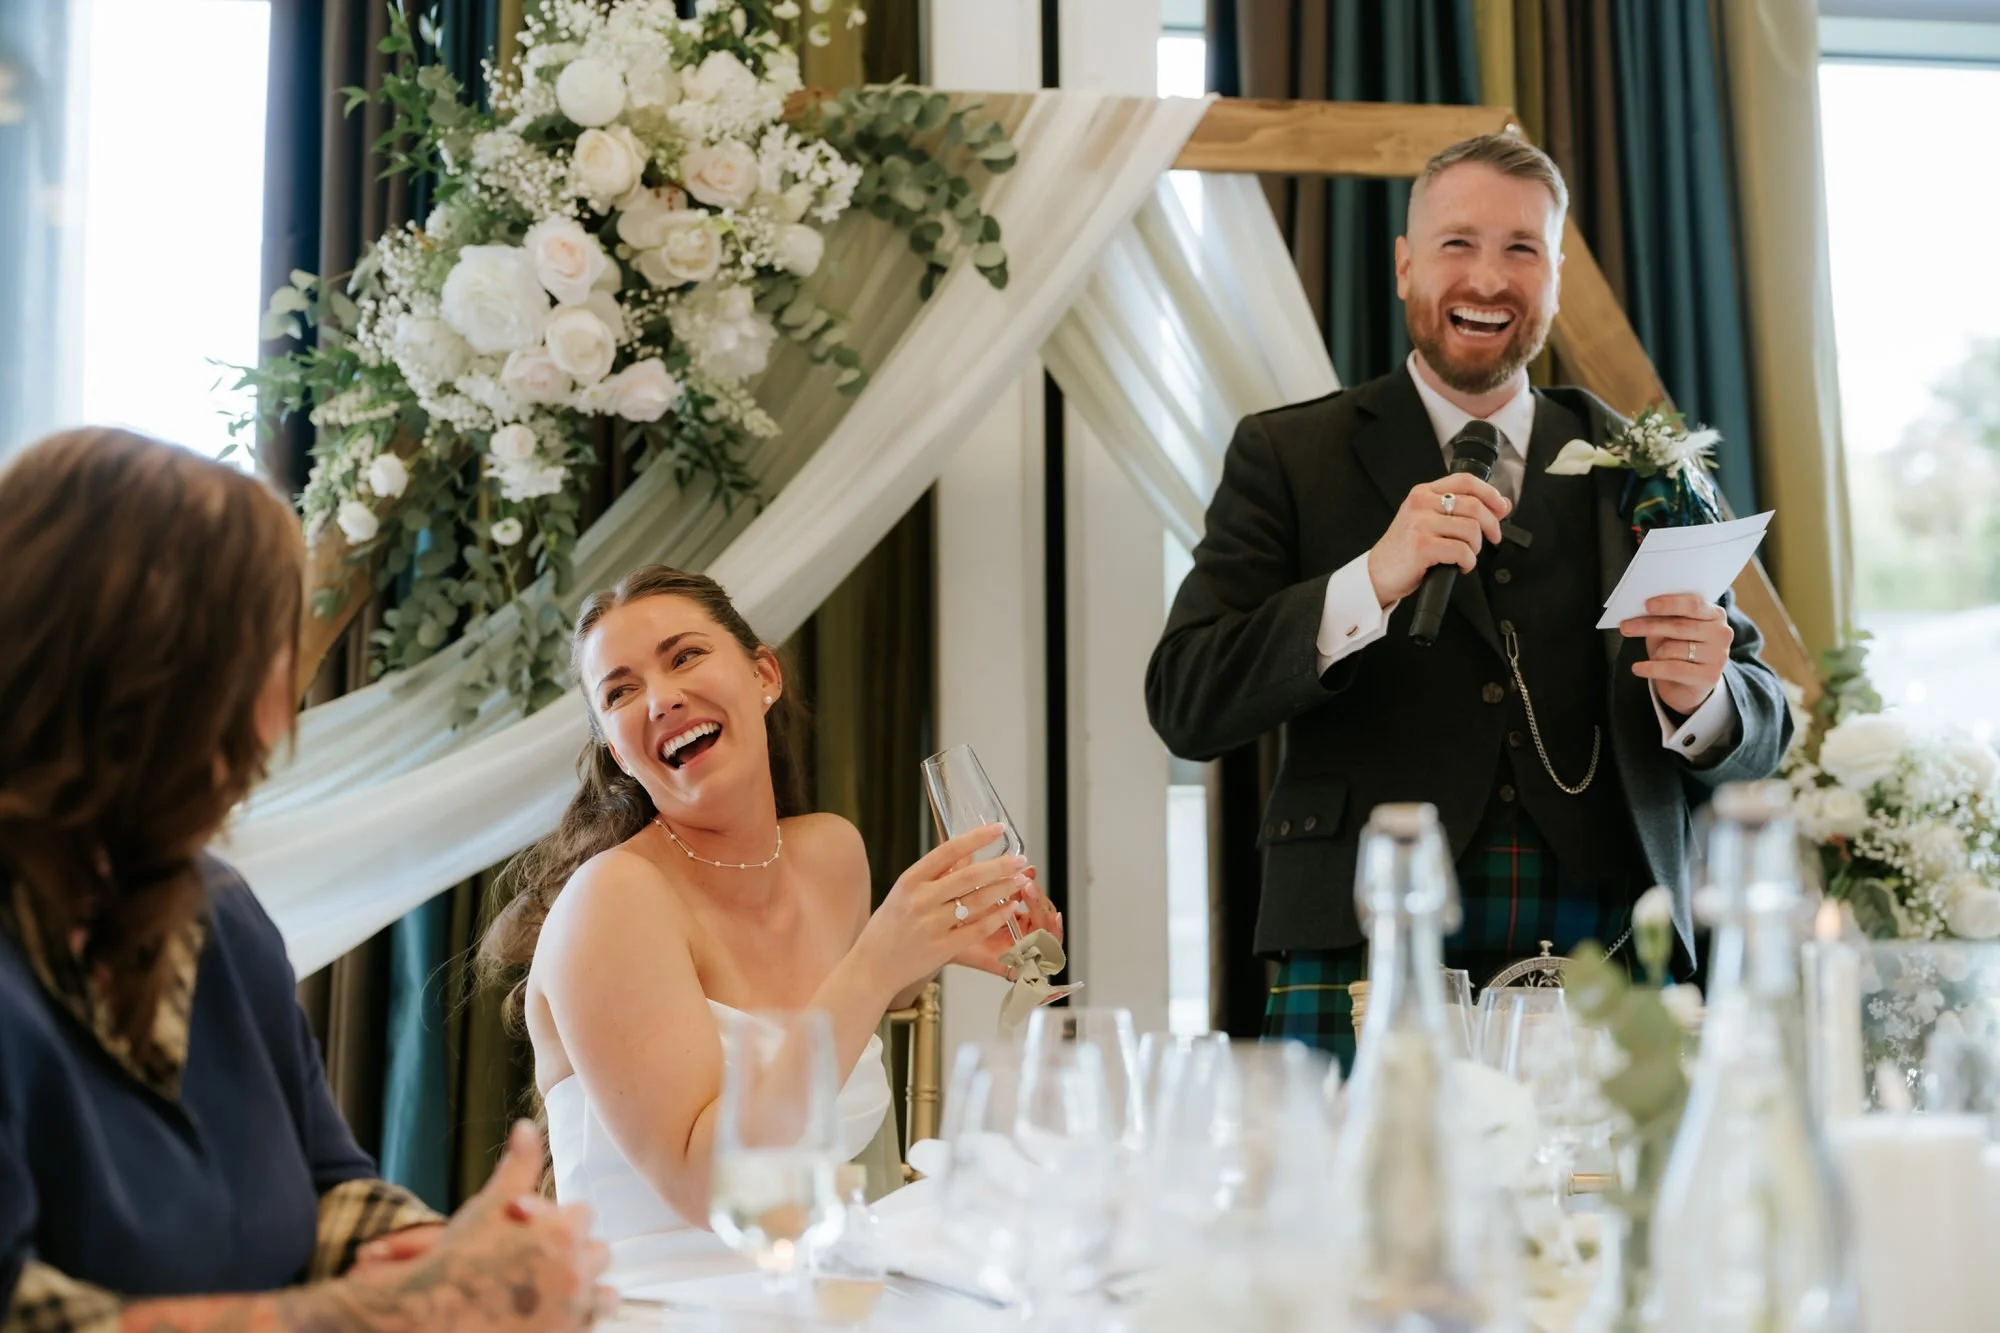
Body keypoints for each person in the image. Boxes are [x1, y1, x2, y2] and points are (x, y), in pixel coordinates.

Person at [1144, 133, 1792, 1064]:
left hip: (1606, 936)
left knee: (1598, 1209)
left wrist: (1706, 699)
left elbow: (1766, 727)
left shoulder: (1647, 461)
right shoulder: (1289, 457)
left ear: (1556, 276)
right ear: (1406, 264)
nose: (1488, 279)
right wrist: (1368, 580)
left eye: (1522, 249)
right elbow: (1185, 700)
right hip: (1361, 939)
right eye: (1457, 244)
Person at [0, 428, 609, 1332]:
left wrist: (456, 1254)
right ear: (140, 676)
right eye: (258, 655)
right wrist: (371, 1311)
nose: (280, 711)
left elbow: (329, 1189)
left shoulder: (218, 914)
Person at [479, 565, 1059, 1271]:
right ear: (617, 753)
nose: (660, 698)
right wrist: (877, 961)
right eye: (622, 691)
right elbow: (713, 1189)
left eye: (684, 655)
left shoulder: (831, 854)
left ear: (763, 676)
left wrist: (942, 940)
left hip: (833, 1295)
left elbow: (835, 1012)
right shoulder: (613, 899)